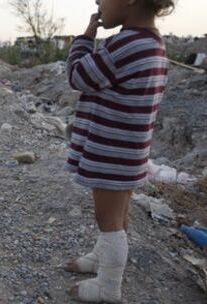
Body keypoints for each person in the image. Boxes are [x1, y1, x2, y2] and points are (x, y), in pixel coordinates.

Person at [64, 0, 174, 302]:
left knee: (108, 220)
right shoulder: (153, 43)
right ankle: (102, 257)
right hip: (128, 153)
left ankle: (108, 287)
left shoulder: (125, 45)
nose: (97, 3)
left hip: (111, 153)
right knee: (119, 215)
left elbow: (78, 76)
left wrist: (85, 38)